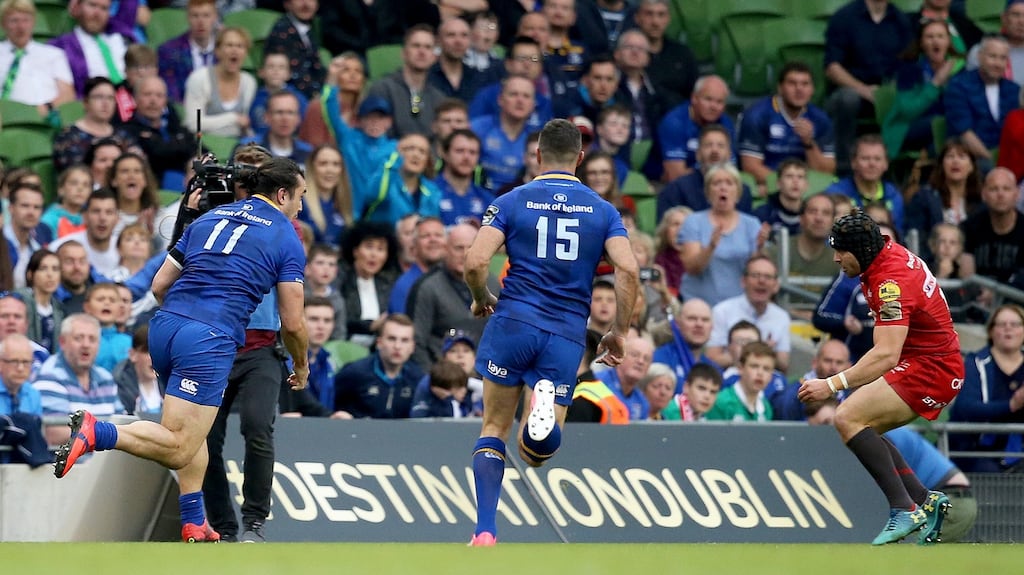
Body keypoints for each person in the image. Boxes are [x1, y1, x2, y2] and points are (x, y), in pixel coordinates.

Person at [51, 158, 310, 545]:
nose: (301, 207)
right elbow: (292, 323)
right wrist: (301, 365)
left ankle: (193, 519)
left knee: (193, 432)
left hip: (165, 328)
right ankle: (98, 432)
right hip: (210, 337)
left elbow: (158, 285)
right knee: (179, 446)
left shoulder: (210, 218)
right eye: (301, 196)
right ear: (283, 193)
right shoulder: (286, 234)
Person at [462, 118, 639, 546]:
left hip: (513, 322)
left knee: (493, 428)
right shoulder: (602, 210)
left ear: (538, 155)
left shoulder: (511, 201)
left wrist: (481, 295)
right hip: (564, 333)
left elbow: (473, 261)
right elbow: (629, 270)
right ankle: (541, 404)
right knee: (537, 454)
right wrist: (618, 331)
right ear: (580, 158)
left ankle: (485, 530)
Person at [798, 210, 963, 546]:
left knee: (846, 416)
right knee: (862, 427)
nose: (835, 258)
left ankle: (903, 508)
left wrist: (830, 385)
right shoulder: (884, 256)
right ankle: (924, 500)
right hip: (928, 361)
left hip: (932, 368)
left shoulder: (890, 282)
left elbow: (887, 354)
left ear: (858, 250)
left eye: (840, 251)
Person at [949, 304, 1024, 473]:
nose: (1008, 329)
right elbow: (965, 407)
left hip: (1019, 450)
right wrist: (1012, 405)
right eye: (1002, 324)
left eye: (1015, 324)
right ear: (991, 331)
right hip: (976, 450)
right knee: (987, 471)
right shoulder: (975, 363)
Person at [113, 324, 163, 416]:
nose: (156, 358)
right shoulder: (119, 385)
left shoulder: (170, 383)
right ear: (133, 355)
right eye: (148, 352)